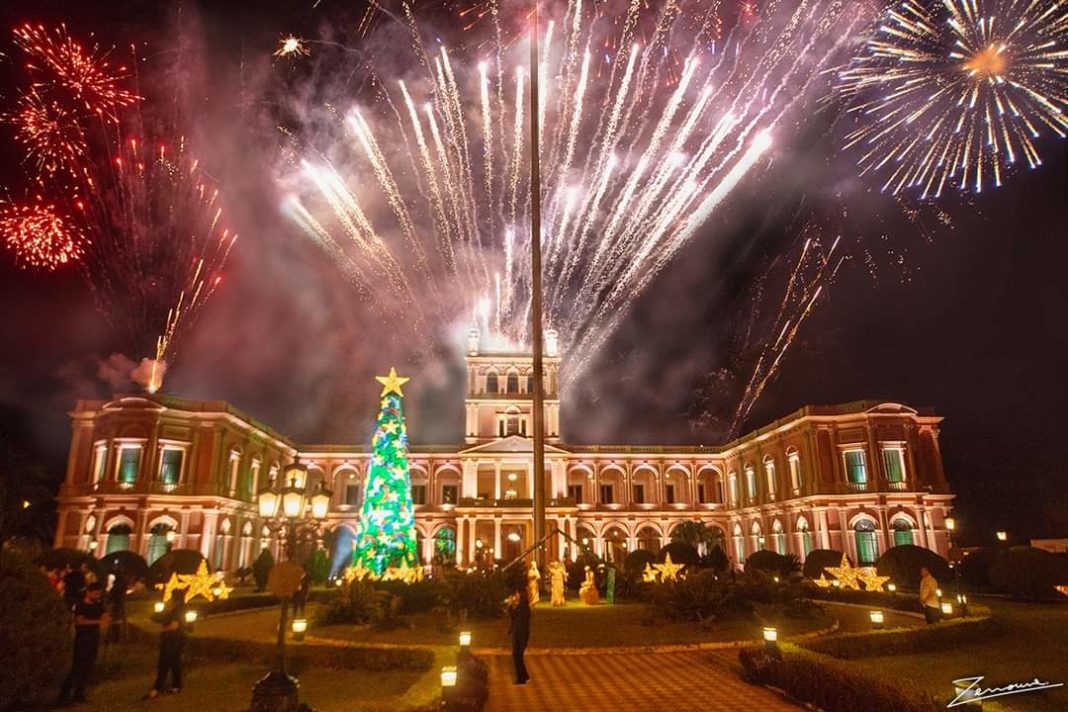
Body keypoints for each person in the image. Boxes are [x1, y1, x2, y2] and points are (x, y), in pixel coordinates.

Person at [58, 582, 109, 706]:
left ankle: (78, 695)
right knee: (77, 668)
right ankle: (64, 696)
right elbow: (80, 622)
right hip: (82, 641)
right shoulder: (80, 605)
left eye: (99, 594)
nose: (98, 596)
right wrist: (98, 621)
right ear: (88, 592)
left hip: (94, 640)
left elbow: (105, 615)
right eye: (96, 594)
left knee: (88, 668)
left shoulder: (97, 605)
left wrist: (105, 616)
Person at [144, 589, 187, 700]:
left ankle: (156, 689)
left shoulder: (178, 609)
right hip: (175, 639)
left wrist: (164, 627)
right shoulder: (177, 608)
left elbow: (175, 625)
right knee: (174, 663)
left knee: (164, 663)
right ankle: (176, 686)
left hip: (172, 639)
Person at [507, 585, 531, 685]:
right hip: (516, 633)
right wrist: (510, 606)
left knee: (518, 656)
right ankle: (524, 675)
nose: (516, 596)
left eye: (517, 594)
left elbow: (521, 621)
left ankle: (522, 678)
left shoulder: (524, 607)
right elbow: (513, 616)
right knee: (516, 656)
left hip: (521, 634)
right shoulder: (520, 606)